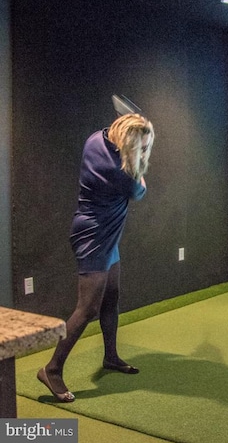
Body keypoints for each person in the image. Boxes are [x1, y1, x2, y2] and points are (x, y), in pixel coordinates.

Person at [37, 113, 155, 403]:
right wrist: (140, 157)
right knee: (87, 309)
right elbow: (140, 191)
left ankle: (111, 357)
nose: (143, 150)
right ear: (128, 143)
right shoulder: (121, 172)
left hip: (105, 234)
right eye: (140, 146)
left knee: (112, 297)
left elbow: (118, 138)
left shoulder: (96, 139)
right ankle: (51, 369)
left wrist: (139, 129)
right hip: (93, 236)